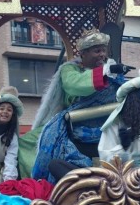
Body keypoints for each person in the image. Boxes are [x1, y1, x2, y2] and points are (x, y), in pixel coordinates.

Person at [30, 29, 130, 183]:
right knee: (32, 144)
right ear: (83, 54)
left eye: (103, 51)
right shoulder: (69, 69)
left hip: (109, 130)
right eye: (97, 51)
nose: (102, 55)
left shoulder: (111, 71)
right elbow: (75, 85)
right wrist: (106, 72)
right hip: (75, 130)